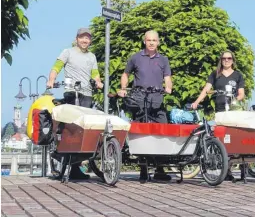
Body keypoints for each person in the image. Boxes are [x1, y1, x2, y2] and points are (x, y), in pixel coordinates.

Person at [46, 27, 104, 180]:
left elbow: (95, 74)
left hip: (87, 94)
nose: (85, 40)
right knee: (72, 126)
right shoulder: (68, 52)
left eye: (87, 38)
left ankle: (76, 167)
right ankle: (64, 154)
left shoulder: (92, 56)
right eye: (82, 38)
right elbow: (56, 67)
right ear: (76, 39)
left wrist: (98, 82)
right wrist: (51, 80)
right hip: (71, 92)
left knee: (84, 128)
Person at [117, 30, 173, 181]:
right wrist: (123, 88)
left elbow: (167, 77)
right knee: (141, 134)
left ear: (158, 42)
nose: (152, 43)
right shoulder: (136, 57)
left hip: (157, 100)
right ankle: (143, 168)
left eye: (154, 40)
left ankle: (160, 169)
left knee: (162, 132)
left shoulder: (163, 60)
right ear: (144, 41)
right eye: (149, 40)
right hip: (140, 100)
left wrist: (168, 87)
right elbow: (126, 74)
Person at [191, 51, 246, 181]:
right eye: (224, 58)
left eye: (229, 58)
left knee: (232, 140)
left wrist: (236, 99)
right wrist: (197, 102)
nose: (226, 60)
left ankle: (230, 169)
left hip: (233, 111)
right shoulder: (215, 74)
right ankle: (224, 169)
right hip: (220, 112)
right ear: (221, 60)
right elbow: (206, 89)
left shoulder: (238, 75)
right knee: (221, 138)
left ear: (233, 60)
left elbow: (241, 93)